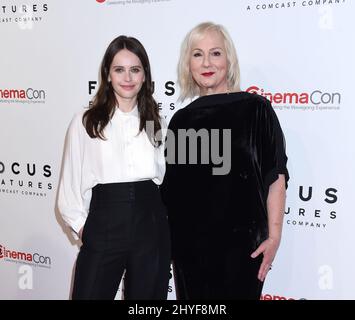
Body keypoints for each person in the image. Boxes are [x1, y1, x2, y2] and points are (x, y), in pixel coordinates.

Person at [161, 22, 289, 299]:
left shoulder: (256, 110)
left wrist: (274, 237)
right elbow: (174, 191)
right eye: (197, 54)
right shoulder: (181, 120)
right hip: (189, 250)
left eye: (215, 53)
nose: (207, 62)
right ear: (188, 63)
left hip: (243, 249)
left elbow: (275, 177)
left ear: (228, 59)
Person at [57, 35, 170, 300]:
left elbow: (164, 179)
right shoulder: (87, 122)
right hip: (104, 221)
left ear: (145, 75)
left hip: (150, 221)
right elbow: (71, 183)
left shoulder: (157, 123)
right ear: (108, 75)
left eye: (135, 69)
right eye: (119, 69)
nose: (127, 77)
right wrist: (86, 228)